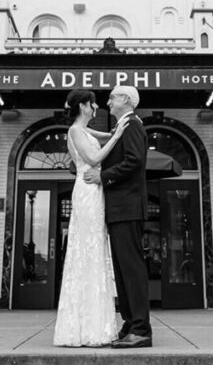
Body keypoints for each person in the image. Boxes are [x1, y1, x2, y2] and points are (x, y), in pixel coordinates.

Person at [53, 89, 130, 347]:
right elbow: (94, 157)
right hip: (87, 190)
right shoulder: (75, 131)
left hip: (96, 191)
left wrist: (119, 130)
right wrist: (118, 135)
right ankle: (84, 327)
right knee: (87, 250)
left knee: (95, 249)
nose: (97, 106)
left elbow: (106, 136)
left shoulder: (85, 130)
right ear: (83, 106)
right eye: (93, 103)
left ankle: (95, 323)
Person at [84, 85, 152, 349]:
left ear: (126, 99)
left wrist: (102, 176)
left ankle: (141, 329)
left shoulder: (133, 125)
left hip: (128, 208)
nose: (108, 101)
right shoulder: (122, 126)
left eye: (112, 97)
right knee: (123, 272)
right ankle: (130, 323)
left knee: (132, 270)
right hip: (119, 209)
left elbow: (134, 161)